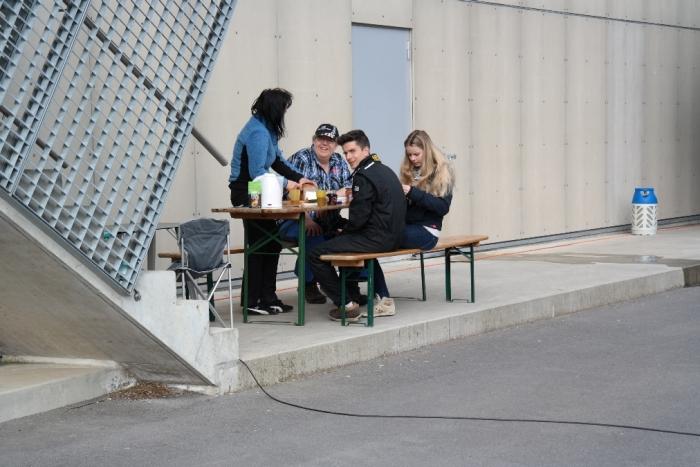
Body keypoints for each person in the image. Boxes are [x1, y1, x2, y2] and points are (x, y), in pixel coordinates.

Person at [228, 88, 315, 315]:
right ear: (275, 109)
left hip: (261, 190)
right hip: (247, 191)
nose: (285, 113)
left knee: (272, 244)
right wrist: (287, 184)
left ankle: (268, 297)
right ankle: (252, 301)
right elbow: (257, 172)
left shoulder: (268, 130)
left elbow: (278, 161)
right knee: (259, 245)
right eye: (284, 109)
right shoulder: (257, 132)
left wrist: (301, 178)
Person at [309, 130, 406, 322]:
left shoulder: (363, 176)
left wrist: (344, 231)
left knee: (315, 254)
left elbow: (358, 218)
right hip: (395, 236)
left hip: (376, 239)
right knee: (340, 239)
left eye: (352, 151)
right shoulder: (385, 170)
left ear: (365, 150)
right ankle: (353, 292)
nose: (348, 157)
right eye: (345, 152)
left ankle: (346, 305)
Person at [278, 123, 353, 304]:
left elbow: (349, 188)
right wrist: (306, 218)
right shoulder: (302, 158)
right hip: (294, 219)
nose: (324, 143)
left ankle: (352, 285)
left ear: (336, 145)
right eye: (321, 139)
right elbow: (288, 194)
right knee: (314, 234)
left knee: (354, 231)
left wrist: (326, 200)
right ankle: (310, 283)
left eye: (330, 140)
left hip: (329, 219)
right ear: (314, 140)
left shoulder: (339, 161)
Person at [399, 129, 454, 250]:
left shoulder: (442, 171)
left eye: (416, 154)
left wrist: (412, 192)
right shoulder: (408, 170)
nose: (412, 158)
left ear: (427, 151)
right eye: (409, 155)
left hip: (428, 231)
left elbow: (443, 207)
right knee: (378, 233)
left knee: (385, 237)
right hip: (408, 226)